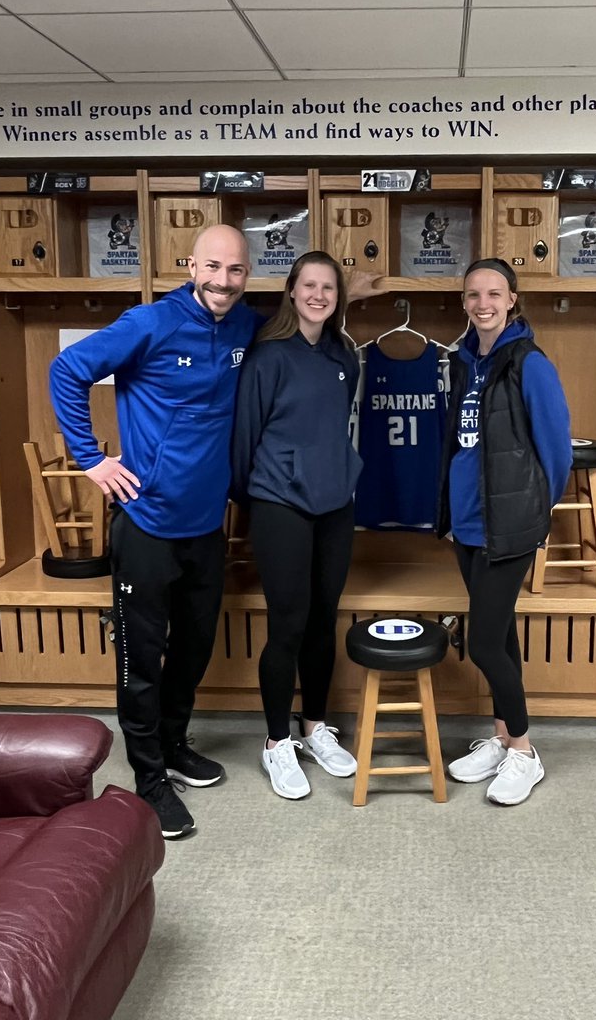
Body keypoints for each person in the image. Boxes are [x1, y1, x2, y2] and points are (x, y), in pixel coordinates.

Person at [50, 225, 262, 839]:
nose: (224, 281)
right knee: (138, 661)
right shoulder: (151, 323)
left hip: (205, 528)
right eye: (214, 267)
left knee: (194, 649)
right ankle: (147, 778)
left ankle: (173, 744)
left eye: (237, 271)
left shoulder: (247, 326)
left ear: (248, 275)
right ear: (190, 264)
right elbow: (67, 371)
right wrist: (91, 459)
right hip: (145, 525)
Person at [436, 257, 572, 806]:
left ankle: (524, 751)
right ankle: (499, 737)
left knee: (486, 641)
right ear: (464, 302)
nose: (483, 303)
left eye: (493, 293)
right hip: (468, 524)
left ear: (512, 299)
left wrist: (534, 514)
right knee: (504, 636)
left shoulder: (528, 362)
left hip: (508, 526)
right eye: (473, 295)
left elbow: (556, 450)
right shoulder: (466, 361)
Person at [232, 251, 360, 799]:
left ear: (337, 298)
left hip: (335, 504)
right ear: (291, 291)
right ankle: (276, 741)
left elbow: (333, 428)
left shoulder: (343, 355)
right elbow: (244, 438)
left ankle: (314, 727)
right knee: (288, 621)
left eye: (328, 287)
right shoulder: (267, 357)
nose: (317, 295)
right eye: (308, 285)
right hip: (279, 503)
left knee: (322, 618)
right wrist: (251, 500)